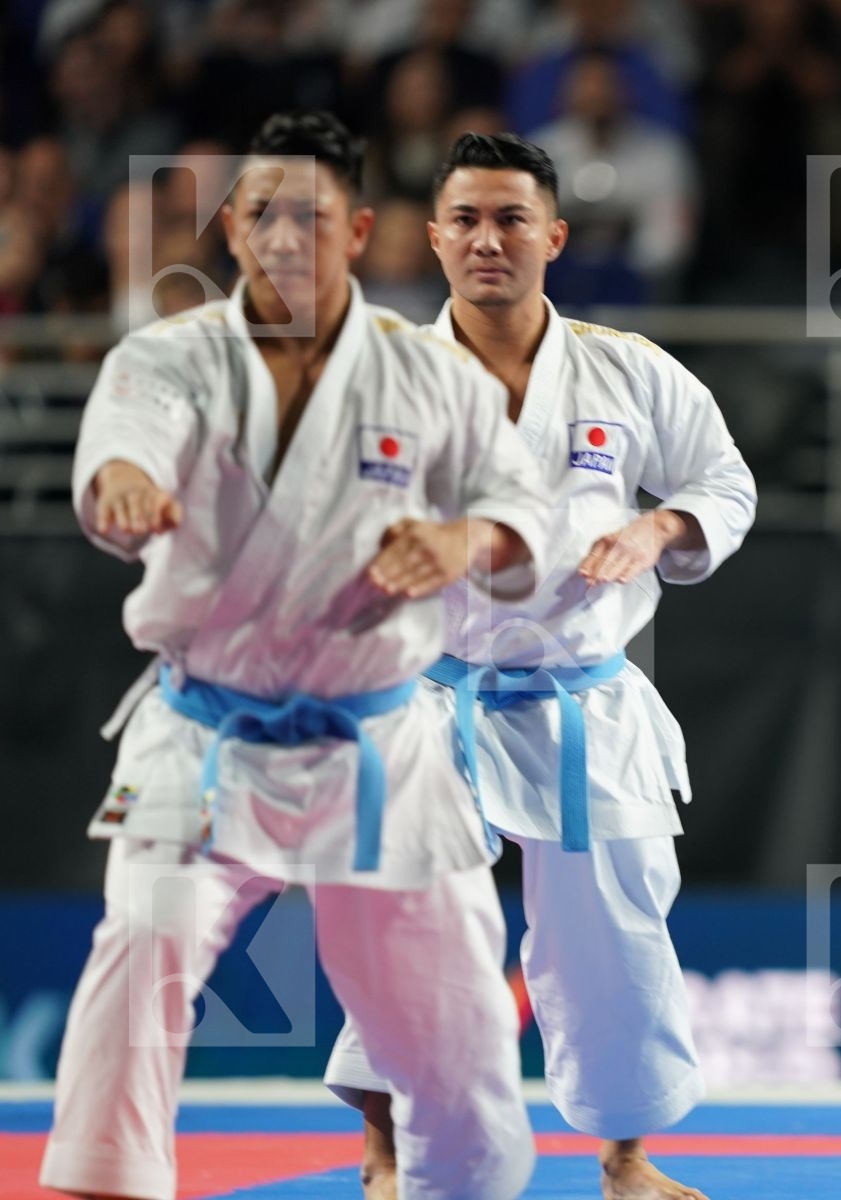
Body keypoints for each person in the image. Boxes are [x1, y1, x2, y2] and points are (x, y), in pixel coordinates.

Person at [39, 110, 550, 1200]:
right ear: (229, 225)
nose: (284, 237)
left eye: (310, 217)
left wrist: (463, 538)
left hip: (375, 745)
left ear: (357, 230)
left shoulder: (430, 380)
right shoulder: (168, 360)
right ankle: (100, 1184)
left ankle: (465, 1185)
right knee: (141, 948)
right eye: (262, 213)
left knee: (454, 1020)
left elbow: (520, 513)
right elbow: (125, 450)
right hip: (204, 733)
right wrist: (123, 489)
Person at [322, 131, 755, 1200]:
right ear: (433, 238)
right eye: (465, 219)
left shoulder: (626, 367)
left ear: (553, 236)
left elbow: (725, 481)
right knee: (403, 918)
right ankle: (385, 1153)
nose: (487, 240)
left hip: (581, 693)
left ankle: (628, 1162)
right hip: (429, 693)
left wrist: (659, 531)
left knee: (613, 928)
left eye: (511, 219)